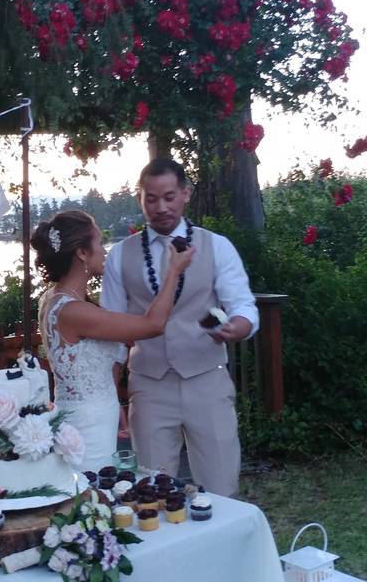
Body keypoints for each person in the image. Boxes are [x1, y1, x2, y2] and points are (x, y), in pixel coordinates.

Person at [101, 158, 258, 497]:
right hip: (149, 385)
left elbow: (243, 304)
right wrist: (112, 395)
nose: (161, 207)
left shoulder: (217, 246)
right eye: (151, 199)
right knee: (151, 490)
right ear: (139, 198)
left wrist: (239, 327)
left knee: (221, 486)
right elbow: (112, 332)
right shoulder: (120, 256)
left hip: (207, 379)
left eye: (169, 197)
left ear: (185, 194)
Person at [31, 210, 195, 472]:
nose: (104, 250)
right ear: (82, 253)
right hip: (88, 430)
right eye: (98, 242)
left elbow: (85, 369)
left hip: (89, 415)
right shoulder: (73, 312)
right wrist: (173, 272)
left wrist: (113, 402)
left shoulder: (54, 299)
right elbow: (153, 325)